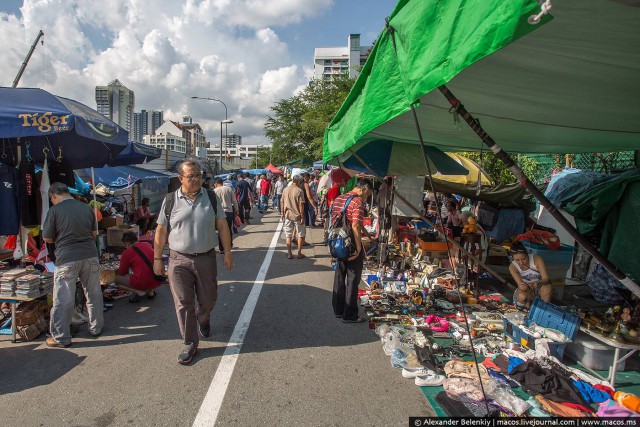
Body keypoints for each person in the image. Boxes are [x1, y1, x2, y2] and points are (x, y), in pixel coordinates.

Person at [153, 161, 233, 365]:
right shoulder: (170, 200)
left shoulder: (211, 197)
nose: (196, 179)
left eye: (198, 175)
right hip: (178, 259)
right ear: (181, 178)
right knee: (183, 303)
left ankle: (204, 317)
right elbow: (161, 231)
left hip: (206, 257)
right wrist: (157, 259)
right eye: (191, 176)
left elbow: (222, 226)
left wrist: (227, 252)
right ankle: (189, 343)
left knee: (209, 298)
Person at [42, 182, 104, 347]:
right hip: (90, 255)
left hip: (67, 258)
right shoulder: (86, 208)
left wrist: (61, 237)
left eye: (51, 199)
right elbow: (94, 233)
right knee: (93, 293)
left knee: (63, 297)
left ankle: (61, 336)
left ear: (54, 195)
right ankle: (96, 328)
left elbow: (47, 238)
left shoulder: (54, 211)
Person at [332, 178, 373, 323]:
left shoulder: (339, 198)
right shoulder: (358, 201)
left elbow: (343, 220)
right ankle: (349, 314)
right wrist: (359, 247)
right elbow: (355, 225)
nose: (366, 197)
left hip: (337, 242)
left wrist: (367, 234)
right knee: (352, 279)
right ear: (364, 189)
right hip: (351, 245)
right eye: (367, 195)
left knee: (339, 275)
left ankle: (338, 309)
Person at [115, 232, 162, 303]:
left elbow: (122, 272)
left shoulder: (127, 252)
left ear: (126, 243)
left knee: (117, 280)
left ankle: (140, 292)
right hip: (157, 279)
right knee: (147, 270)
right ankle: (150, 291)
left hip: (142, 282)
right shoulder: (147, 244)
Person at [508, 241, 552, 310]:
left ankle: (543, 310)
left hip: (539, 287)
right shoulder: (512, 267)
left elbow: (546, 279)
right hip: (526, 290)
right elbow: (520, 285)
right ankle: (526, 308)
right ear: (513, 258)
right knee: (522, 296)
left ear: (527, 254)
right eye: (517, 260)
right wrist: (524, 286)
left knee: (547, 288)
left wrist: (538, 282)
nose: (521, 263)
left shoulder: (537, 259)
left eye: (524, 259)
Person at [281, 175, 306, 259]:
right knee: (301, 234)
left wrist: (282, 213)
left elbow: (282, 202)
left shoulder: (285, 189)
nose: (302, 184)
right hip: (297, 216)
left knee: (288, 235)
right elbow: (301, 205)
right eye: (302, 182)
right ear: (299, 182)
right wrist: (302, 217)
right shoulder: (299, 191)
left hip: (287, 215)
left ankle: (290, 254)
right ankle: (299, 253)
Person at [213, 177, 238, 252]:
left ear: (216, 184)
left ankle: (221, 248)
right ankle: (229, 245)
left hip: (219, 214)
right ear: (222, 183)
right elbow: (234, 201)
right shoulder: (228, 189)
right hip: (229, 212)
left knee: (220, 230)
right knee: (228, 229)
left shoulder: (214, 191)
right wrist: (236, 210)